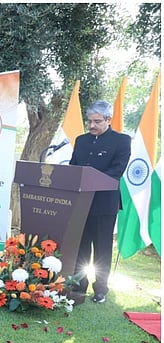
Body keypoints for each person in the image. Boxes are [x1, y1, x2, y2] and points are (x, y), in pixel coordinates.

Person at [70, 100, 131, 303]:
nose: (92, 126)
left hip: (105, 203)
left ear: (108, 119)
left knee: (102, 247)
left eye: (97, 121)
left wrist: (90, 180)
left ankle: (101, 289)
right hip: (81, 202)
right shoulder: (81, 140)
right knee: (81, 246)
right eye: (89, 121)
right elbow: (73, 167)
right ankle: (78, 285)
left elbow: (116, 171)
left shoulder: (122, 141)